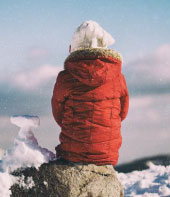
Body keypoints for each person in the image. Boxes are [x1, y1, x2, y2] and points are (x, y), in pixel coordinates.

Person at [51, 20, 129, 166]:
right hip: (107, 155)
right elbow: (123, 112)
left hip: (72, 154)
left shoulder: (65, 77)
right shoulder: (118, 77)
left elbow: (58, 114)